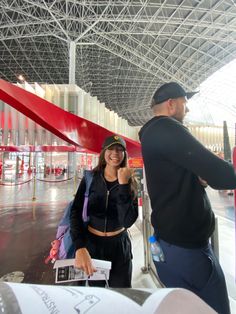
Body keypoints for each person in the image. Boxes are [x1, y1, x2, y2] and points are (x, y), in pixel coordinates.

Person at [139, 82, 236, 314]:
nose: (187, 110)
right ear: (171, 104)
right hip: (188, 251)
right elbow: (221, 174)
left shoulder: (152, 134)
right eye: (185, 103)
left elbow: (175, 174)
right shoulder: (168, 128)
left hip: (167, 243)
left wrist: (196, 178)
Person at [70, 135, 138, 288]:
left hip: (120, 247)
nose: (115, 153)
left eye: (120, 149)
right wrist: (79, 246)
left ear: (124, 154)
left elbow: (127, 221)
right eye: (111, 149)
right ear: (103, 152)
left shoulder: (130, 182)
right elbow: (75, 211)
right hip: (93, 246)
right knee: (97, 294)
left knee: (122, 295)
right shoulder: (90, 178)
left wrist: (123, 185)